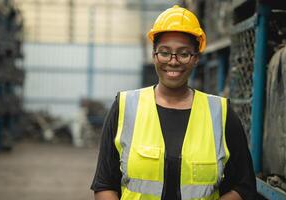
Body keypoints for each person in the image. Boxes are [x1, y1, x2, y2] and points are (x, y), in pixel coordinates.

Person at [91, 5, 257, 200]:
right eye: (164, 52)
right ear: (154, 55)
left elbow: (244, 186)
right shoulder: (125, 107)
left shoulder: (220, 113)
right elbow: (104, 184)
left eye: (184, 53)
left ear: (195, 59)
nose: (173, 61)